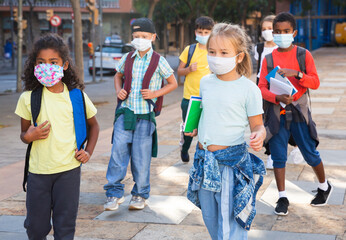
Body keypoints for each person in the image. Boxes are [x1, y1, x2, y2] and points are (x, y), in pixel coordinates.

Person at [15, 33, 99, 240]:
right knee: (36, 227)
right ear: (34, 65)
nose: (47, 66)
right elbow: (23, 135)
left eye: (53, 62)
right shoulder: (28, 98)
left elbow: (94, 126)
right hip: (38, 172)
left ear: (64, 65)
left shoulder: (76, 96)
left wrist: (88, 151)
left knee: (65, 226)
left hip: (68, 171)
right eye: (41, 62)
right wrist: (30, 135)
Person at [186, 23, 266, 240]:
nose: (216, 57)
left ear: (239, 57)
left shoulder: (249, 89)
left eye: (223, 52)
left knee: (230, 225)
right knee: (211, 221)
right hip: (204, 162)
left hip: (230, 166)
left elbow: (258, 125)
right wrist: (193, 127)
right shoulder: (205, 82)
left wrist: (259, 134)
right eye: (211, 52)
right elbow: (205, 112)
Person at [258, 12, 333, 216]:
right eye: (278, 32)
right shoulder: (269, 58)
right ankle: (282, 197)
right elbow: (261, 87)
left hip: (299, 112)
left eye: (286, 31)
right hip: (277, 113)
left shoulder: (303, 55)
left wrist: (297, 74)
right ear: (273, 33)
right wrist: (277, 98)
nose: (282, 35)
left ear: (294, 32)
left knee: (309, 152)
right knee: (278, 156)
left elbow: (315, 82)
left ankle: (324, 186)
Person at [103, 18, 178, 211]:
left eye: (144, 36)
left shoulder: (158, 61)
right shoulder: (128, 58)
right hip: (125, 112)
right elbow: (118, 75)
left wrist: (155, 94)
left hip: (145, 116)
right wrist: (118, 90)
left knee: (141, 157)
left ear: (153, 37)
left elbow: (173, 83)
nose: (140, 40)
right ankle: (113, 193)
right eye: (136, 36)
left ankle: (140, 194)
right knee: (118, 152)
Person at [254, 15, 304, 170]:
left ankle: (297, 145)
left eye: (270, 29)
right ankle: (270, 155)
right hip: (264, 87)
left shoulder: (283, 49)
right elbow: (259, 70)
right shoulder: (259, 48)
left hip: (281, 86)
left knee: (285, 120)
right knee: (268, 121)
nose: (267, 32)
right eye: (264, 29)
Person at [177, 16, 215, 163]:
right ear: (195, 32)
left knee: (207, 130)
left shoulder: (214, 50)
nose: (203, 35)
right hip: (190, 98)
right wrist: (188, 69)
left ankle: (204, 156)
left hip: (209, 98)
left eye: (206, 32)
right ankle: (185, 149)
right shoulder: (189, 50)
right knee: (189, 130)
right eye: (200, 32)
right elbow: (179, 71)